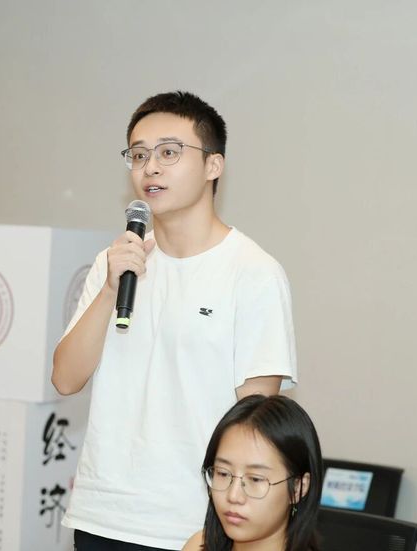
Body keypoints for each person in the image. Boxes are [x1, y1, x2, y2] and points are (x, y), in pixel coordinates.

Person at [52, 91, 298, 550]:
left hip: (194, 523)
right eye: (138, 155)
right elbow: (65, 379)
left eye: (169, 153)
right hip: (104, 516)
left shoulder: (253, 273)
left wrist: (221, 526)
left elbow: (255, 423)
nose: (150, 167)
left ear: (213, 165)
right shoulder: (113, 263)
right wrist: (109, 289)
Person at [182, 394, 323, 551]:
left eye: (255, 479)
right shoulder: (197, 546)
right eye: (223, 474)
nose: (233, 496)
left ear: (297, 488)